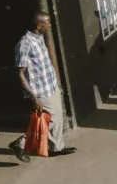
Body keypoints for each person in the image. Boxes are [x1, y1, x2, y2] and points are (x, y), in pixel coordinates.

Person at [14, 11, 74, 158]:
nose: (50, 25)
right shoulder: (25, 44)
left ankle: (56, 148)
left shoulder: (40, 37)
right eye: (47, 23)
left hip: (51, 86)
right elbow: (20, 74)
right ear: (39, 25)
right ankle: (20, 144)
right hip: (41, 92)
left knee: (57, 118)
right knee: (47, 122)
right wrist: (34, 98)